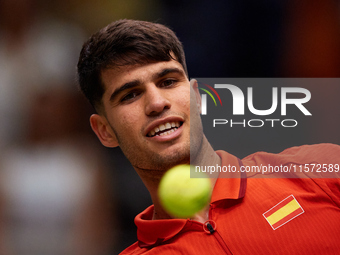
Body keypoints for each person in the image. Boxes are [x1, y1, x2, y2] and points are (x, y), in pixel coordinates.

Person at [77, 19, 340, 254]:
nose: (157, 103)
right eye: (130, 95)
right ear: (104, 131)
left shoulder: (318, 171)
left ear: (197, 97)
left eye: (168, 81)